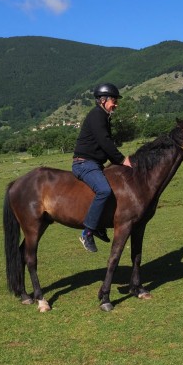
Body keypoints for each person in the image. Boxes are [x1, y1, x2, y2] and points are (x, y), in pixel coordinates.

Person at [72, 83, 132, 252]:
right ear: (103, 100)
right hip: (84, 164)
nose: (116, 104)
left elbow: (106, 143)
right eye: (114, 100)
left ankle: (98, 225)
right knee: (104, 190)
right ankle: (87, 232)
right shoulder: (97, 115)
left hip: (95, 164)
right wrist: (122, 160)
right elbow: (105, 142)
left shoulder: (103, 116)